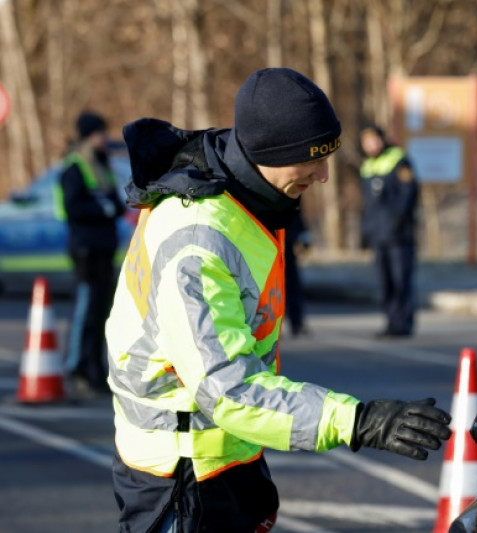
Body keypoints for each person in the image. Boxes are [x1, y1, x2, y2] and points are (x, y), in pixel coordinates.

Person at [105, 68, 451, 532]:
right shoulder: (197, 238)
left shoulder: (249, 198)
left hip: (227, 456)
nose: (324, 176)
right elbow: (226, 387)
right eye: (312, 160)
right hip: (182, 476)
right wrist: (356, 421)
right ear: (270, 153)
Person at [57, 111, 126, 398]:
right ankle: (76, 368)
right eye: (99, 133)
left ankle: (96, 371)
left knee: (102, 316)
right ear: (88, 136)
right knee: (85, 313)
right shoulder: (74, 168)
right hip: (86, 251)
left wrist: (109, 208)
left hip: (104, 250)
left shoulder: (103, 165)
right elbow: (72, 208)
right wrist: (103, 210)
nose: (104, 138)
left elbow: (117, 203)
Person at [359, 124, 419, 338]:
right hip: (378, 236)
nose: (371, 145)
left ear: (382, 139)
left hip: (399, 235)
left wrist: (397, 222)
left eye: (374, 140)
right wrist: (365, 233)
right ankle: (391, 322)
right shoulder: (367, 167)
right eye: (366, 142)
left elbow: (408, 196)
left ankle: (404, 323)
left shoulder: (399, 160)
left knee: (401, 280)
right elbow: (367, 206)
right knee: (385, 283)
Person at [284, 210, 311, 337]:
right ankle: (269, 327)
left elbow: (295, 210)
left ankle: (297, 323)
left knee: (293, 285)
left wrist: (304, 236)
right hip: (269, 244)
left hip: (288, 244)